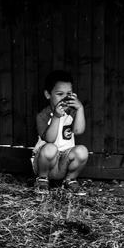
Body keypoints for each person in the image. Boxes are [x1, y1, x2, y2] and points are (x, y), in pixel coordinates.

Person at [32, 69, 89, 197]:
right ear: (48, 95)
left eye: (68, 94)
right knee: (50, 148)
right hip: (44, 163)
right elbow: (50, 139)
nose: (65, 98)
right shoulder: (42, 115)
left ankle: (70, 179)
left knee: (82, 151)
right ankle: (42, 179)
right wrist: (56, 117)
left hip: (64, 162)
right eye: (60, 94)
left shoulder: (72, 113)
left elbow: (78, 131)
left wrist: (80, 109)